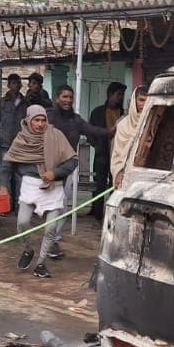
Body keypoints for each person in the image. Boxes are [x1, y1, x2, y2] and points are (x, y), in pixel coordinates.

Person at [4, 105, 76, 279]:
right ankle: (28, 250)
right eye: (36, 120)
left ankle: (41, 263)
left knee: (51, 228)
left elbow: (72, 161)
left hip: (53, 186)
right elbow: (7, 164)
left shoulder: (56, 136)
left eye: (43, 120)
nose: (40, 124)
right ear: (29, 120)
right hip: (30, 185)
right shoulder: (21, 139)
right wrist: (3, 185)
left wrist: (55, 173)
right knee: (22, 222)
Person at [46, 84, 110, 251]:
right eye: (64, 97)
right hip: (46, 168)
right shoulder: (48, 117)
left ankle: (53, 241)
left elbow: (92, 130)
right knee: (45, 207)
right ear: (57, 98)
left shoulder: (76, 120)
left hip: (66, 169)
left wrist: (111, 132)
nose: (67, 100)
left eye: (70, 97)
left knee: (61, 206)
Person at [86, 81, 127, 219]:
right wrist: (96, 145)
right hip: (102, 154)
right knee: (99, 184)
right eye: (119, 94)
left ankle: (113, 213)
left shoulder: (124, 114)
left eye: (122, 95)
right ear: (110, 94)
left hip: (119, 156)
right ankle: (97, 212)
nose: (121, 98)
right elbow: (89, 132)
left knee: (116, 184)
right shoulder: (97, 112)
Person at [109, 85, 148, 187]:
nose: (144, 104)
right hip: (125, 177)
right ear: (134, 101)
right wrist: (118, 173)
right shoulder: (122, 125)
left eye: (148, 101)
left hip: (147, 177)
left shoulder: (154, 124)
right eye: (141, 100)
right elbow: (117, 154)